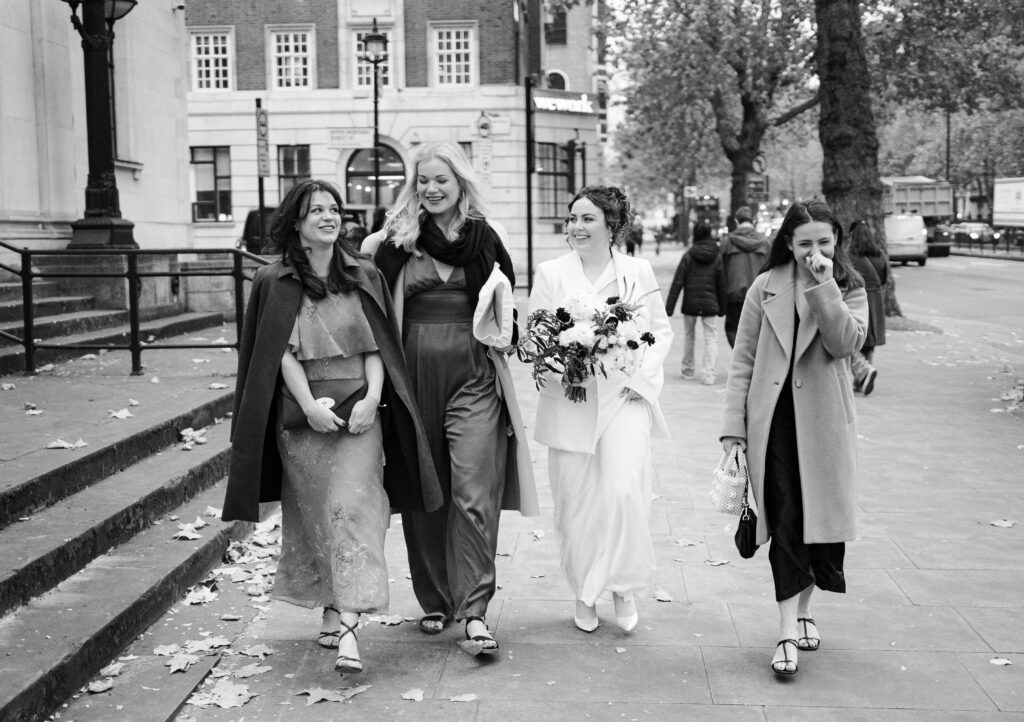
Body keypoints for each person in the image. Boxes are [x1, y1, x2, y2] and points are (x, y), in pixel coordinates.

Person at [221, 179, 442, 677]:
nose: (328, 216)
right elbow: (276, 351)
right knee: (318, 515)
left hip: (361, 412)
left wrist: (372, 400)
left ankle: (347, 626)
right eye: (315, 210)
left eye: (333, 208)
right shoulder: (273, 281)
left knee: (354, 509)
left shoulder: (363, 273)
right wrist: (307, 406)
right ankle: (331, 600)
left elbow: (378, 345)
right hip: (303, 419)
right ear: (294, 222)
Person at [362, 141, 538, 653]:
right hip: (411, 377)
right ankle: (436, 600)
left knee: (474, 488)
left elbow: (508, 310)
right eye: (423, 180)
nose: (432, 188)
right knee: (426, 488)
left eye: (442, 179)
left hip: (474, 373)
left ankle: (476, 608)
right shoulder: (391, 243)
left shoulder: (487, 237)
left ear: (461, 182)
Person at [720, 199, 867, 677]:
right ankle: (786, 631)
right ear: (787, 242)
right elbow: (742, 361)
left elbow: (846, 343)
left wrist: (825, 286)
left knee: (819, 530)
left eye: (824, 241)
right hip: (773, 423)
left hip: (824, 428)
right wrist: (732, 430)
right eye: (805, 243)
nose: (814, 251)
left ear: (837, 241)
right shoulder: (765, 287)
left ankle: (805, 611)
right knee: (784, 522)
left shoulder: (849, 285)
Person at [529, 186, 673, 633]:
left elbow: (659, 332)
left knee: (624, 493)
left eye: (587, 218)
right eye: (572, 219)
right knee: (576, 501)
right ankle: (584, 592)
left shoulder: (637, 271)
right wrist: (564, 364)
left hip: (624, 399)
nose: (576, 227)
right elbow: (538, 337)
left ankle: (622, 586)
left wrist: (640, 380)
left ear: (612, 226)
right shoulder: (551, 273)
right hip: (571, 400)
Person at [664, 221, 727, 384]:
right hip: (711, 304)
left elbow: (677, 282)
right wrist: (723, 307)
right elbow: (722, 283)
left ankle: (688, 370)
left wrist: (669, 308)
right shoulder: (717, 256)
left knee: (689, 336)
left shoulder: (689, 255)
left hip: (690, 304)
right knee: (711, 339)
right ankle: (708, 375)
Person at [846, 220, 887, 395]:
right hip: (876, 299)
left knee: (851, 339)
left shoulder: (849, 256)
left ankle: (863, 371)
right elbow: (884, 279)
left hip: (857, 297)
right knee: (869, 342)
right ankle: (861, 379)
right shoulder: (880, 255)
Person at [721, 206, 770, 347]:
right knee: (759, 330)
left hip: (734, 293)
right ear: (754, 221)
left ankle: (740, 359)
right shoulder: (766, 242)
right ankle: (755, 361)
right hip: (760, 293)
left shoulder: (727, 241)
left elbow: (722, 270)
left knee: (732, 328)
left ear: (736, 221)